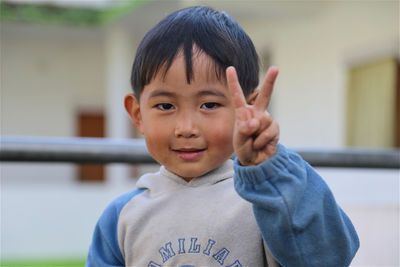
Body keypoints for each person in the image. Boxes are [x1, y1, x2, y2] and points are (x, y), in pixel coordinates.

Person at [86, 6, 359, 267]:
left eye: (209, 104)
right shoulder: (122, 217)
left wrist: (269, 170)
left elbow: (329, 259)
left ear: (246, 109)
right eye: (166, 106)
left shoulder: (269, 199)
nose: (186, 127)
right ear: (137, 114)